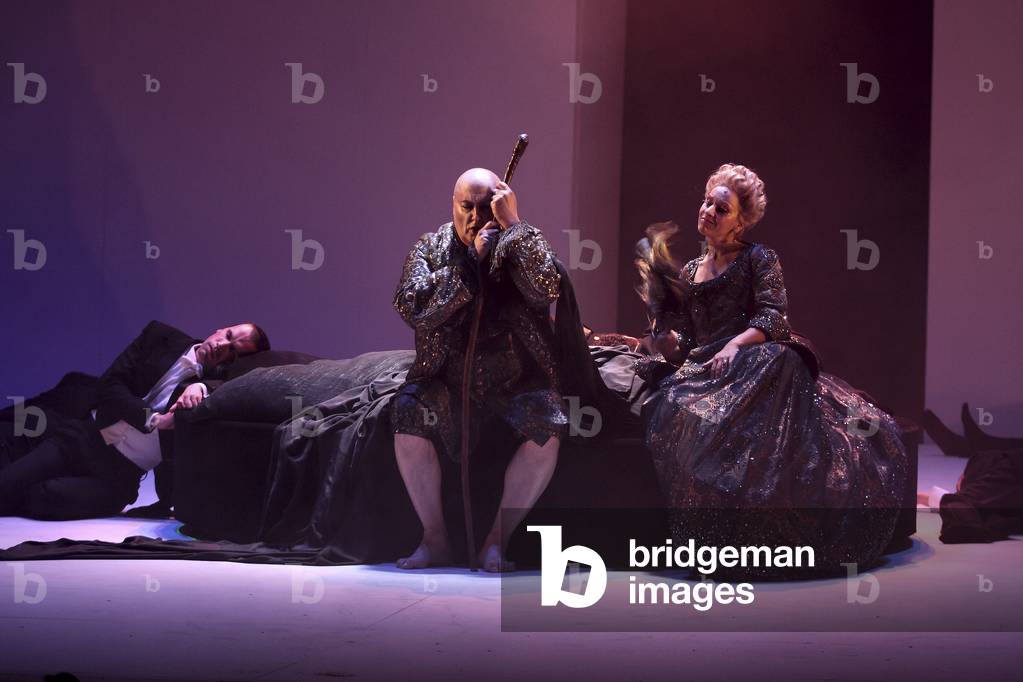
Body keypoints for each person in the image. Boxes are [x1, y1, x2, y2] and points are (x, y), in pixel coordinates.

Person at [634, 163, 908, 574]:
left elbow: (773, 318)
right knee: (673, 402)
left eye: (721, 208)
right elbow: (690, 339)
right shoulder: (692, 271)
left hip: (753, 357)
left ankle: (764, 534)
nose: (708, 211)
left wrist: (734, 345)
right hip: (710, 364)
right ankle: (710, 542)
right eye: (707, 202)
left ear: (741, 221)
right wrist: (668, 342)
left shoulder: (759, 259)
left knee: (777, 361)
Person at [390, 168, 567, 572]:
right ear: (452, 204)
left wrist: (514, 226)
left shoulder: (521, 238)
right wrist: (471, 263)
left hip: (515, 380)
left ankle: (496, 541)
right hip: (446, 381)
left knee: (548, 425)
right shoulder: (430, 247)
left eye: (483, 208)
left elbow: (546, 288)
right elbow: (413, 308)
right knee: (406, 413)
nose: (473, 218)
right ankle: (434, 539)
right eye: (465, 207)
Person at [0, 320, 269, 519]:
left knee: (44, 498)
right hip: (84, 440)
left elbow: (244, 387)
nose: (222, 346)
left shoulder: (212, 389)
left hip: (117, 477)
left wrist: (203, 387)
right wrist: (152, 419)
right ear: (220, 328)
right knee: (9, 482)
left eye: (233, 351)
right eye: (229, 336)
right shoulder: (159, 336)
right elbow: (110, 385)